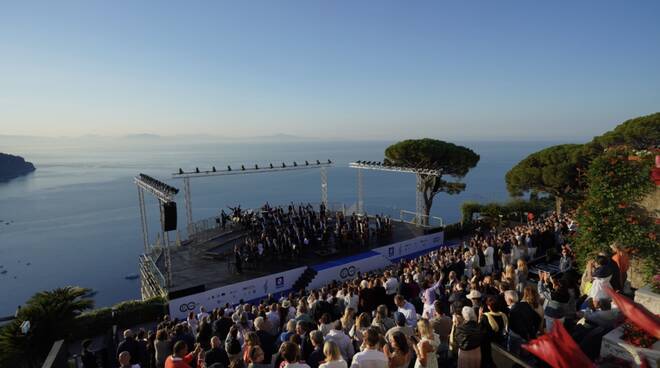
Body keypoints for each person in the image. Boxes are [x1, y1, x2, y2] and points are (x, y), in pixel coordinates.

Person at [505, 290, 539, 355]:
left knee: (512, 354)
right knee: (524, 355)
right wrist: (532, 331)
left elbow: (515, 327)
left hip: (517, 336)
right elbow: (537, 318)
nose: (505, 300)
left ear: (509, 300)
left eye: (505, 298)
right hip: (526, 335)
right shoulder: (525, 304)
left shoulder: (512, 311)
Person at [478, 296, 507, 368]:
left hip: (488, 343)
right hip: (499, 340)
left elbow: (480, 330)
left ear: (489, 307)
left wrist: (479, 316)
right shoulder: (503, 315)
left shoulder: (485, 317)